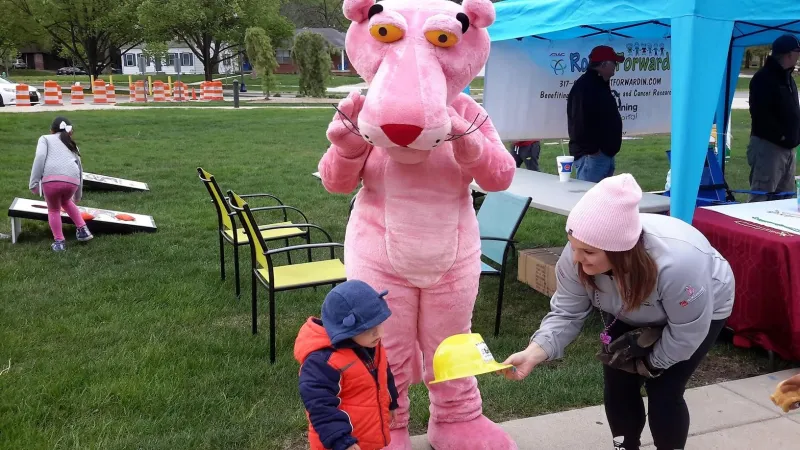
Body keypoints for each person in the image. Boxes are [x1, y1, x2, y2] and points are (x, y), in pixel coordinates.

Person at [502, 173, 735, 450]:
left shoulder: (678, 265)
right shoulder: (577, 253)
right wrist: (534, 352)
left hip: (697, 308)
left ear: (621, 250)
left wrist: (651, 363)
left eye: (588, 251)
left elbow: (687, 333)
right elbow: (566, 312)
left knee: (664, 390)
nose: (576, 258)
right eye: (573, 247)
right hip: (628, 304)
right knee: (617, 383)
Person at [294, 280, 399, 450]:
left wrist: (392, 401)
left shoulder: (370, 343)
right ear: (345, 329)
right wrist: (341, 441)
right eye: (367, 328)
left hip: (367, 433)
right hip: (340, 441)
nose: (378, 333)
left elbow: (383, 373)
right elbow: (320, 405)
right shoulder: (323, 361)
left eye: (379, 323)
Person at [747, 34, 800, 202]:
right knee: (761, 196)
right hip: (769, 147)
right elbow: (760, 115)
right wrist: (781, 136)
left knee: (785, 200)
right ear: (789, 54)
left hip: (788, 149)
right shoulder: (763, 78)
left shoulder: (788, 78)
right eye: (798, 51)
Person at [28, 116, 93, 252]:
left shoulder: (45, 139)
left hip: (51, 181)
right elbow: (80, 169)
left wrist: (34, 182)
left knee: (53, 209)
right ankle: (83, 230)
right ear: (70, 132)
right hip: (72, 182)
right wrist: (78, 193)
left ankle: (59, 242)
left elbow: (40, 157)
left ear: (51, 130)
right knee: (67, 202)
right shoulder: (72, 144)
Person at [567, 45, 625, 183]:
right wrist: (593, 151)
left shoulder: (600, 85)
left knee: (602, 201)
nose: (615, 67)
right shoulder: (585, 87)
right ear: (604, 64)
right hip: (592, 157)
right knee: (589, 199)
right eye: (614, 63)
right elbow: (578, 124)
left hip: (603, 155)